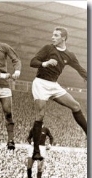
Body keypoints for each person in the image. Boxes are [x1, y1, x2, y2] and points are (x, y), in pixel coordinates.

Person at [29, 27, 87, 161]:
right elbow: (33, 62)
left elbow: (80, 69)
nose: (52, 37)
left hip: (54, 85)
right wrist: (45, 63)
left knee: (76, 105)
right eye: (52, 35)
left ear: (63, 38)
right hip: (41, 83)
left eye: (56, 35)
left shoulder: (70, 55)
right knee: (40, 114)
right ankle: (36, 151)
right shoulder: (48, 48)